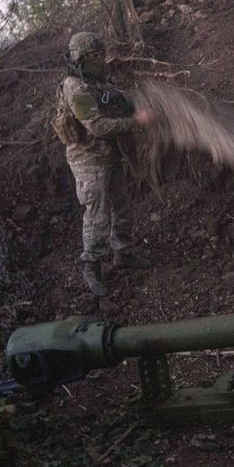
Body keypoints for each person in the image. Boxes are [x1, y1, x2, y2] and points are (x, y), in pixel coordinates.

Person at [53, 32, 154, 297]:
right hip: (88, 159)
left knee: (122, 206)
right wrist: (136, 122)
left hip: (110, 154)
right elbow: (97, 126)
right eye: (96, 56)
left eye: (102, 54)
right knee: (97, 215)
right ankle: (91, 265)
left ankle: (123, 253)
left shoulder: (97, 81)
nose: (102, 60)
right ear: (82, 59)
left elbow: (113, 101)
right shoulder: (75, 87)